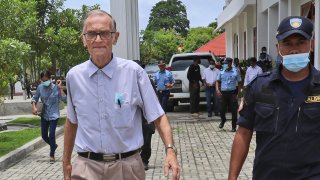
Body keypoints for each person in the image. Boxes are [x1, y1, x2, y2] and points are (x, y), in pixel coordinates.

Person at [63, 10, 180, 180]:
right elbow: (71, 122)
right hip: (86, 168)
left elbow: (158, 116)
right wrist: (66, 161)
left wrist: (170, 150)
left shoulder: (134, 73)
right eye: (91, 34)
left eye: (104, 33)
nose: (97, 40)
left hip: (127, 168)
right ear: (83, 39)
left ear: (115, 37)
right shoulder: (74, 76)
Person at [228, 16, 317, 179]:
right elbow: (243, 133)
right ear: (278, 48)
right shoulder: (259, 86)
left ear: (311, 45)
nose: (294, 49)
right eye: (287, 43)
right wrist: (232, 178)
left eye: (301, 42)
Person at [31, 70, 66, 163]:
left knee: (51, 134)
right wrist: (34, 107)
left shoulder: (55, 87)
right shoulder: (40, 87)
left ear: (50, 78)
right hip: (44, 114)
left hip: (54, 114)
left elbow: (64, 99)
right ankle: (53, 145)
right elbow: (35, 98)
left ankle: (52, 155)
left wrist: (60, 88)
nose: (45, 82)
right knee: (44, 135)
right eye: (43, 80)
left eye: (46, 80)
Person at [215, 58, 241, 132]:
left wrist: (238, 93)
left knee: (234, 111)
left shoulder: (236, 71)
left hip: (232, 93)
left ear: (230, 63)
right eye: (224, 63)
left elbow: (239, 82)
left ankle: (233, 127)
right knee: (221, 109)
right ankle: (223, 120)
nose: (225, 64)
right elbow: (217, 81)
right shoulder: (221, 71)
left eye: (226, 63)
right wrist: (217, 89)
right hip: (223, 93)